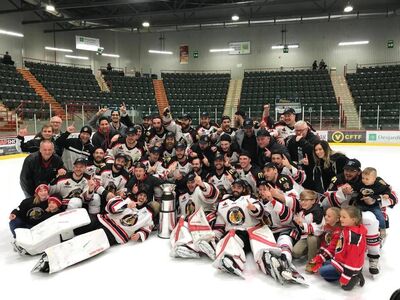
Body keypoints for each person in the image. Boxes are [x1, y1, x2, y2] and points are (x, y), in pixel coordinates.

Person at [30, 193, 155, 273]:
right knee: (73, 221)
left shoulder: (148, 219)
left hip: (113, 234)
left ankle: (50, 260)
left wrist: (139, 235)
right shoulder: (126, 200)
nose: (142, 198)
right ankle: (35, 238)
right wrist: (125, 203)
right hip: (100, 219)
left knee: (84, 244)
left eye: (145, 196)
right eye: (141, 195)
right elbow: (110, 208)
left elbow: (147, 230)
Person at [319, 206, 366, 291]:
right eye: (340, 216)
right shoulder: (348, 227)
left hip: (350, 265)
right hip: (341, 260)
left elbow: (352, 259)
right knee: (325, 266)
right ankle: (350, 274)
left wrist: (345, 278)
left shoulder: (354, 238)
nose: (341, 219)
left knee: (323, 272)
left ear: (354, 220)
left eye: (344, 217)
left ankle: (354, 277)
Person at [355, 167, 394, 238]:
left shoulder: (379, 183)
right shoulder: (360, 183)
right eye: (363, 178)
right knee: (355, 214)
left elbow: (387, 189)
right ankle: (357, 228)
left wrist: (387, 194)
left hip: (374, 205)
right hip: (361, 203)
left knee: (380, 216)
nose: (364, 180)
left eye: (367, 179)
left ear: (374, 178)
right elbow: (355, 188)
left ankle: (382, 229)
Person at [292, 190, 324, 267]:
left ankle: (312, 262)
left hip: (318, 238)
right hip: (305, 237)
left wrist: (302, 225)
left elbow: (319, 230)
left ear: (313, 201)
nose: (303, 202)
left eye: (306, 200)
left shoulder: (318, 212)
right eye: (302, 200)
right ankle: (311, 251)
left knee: (311, 238)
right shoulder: (303, 211)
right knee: (296, 253)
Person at [287, 120, 320, 190]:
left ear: (307, 129)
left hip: (311, 171)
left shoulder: (314, 139)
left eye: (301, 130)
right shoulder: (292, 139)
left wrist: (302, 141)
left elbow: (315, 152)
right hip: (297, 169)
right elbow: (289, 152)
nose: (299, 132)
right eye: (296, 130)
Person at [308, 207, 341, 273]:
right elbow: (324, 242)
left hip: (333, 254)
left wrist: (319, 259)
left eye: (329, 216)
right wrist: (320, 252)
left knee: (323, 269)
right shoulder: (326, 226)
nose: (325, 217)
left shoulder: (338, 232)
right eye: (325, 215)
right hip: (326, 251)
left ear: (337, 219)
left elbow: (332, 249)